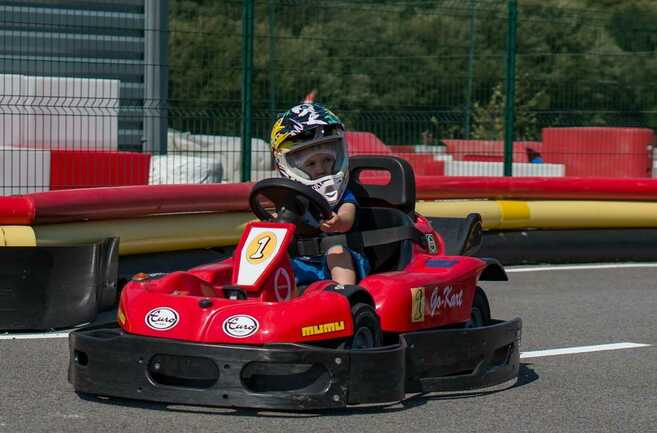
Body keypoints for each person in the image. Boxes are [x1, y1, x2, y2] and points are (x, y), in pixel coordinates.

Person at [270, 102, 370, 286]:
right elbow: (282, 219)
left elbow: (347, 217)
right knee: (270, 255)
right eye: (311, 164)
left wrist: (339, 222)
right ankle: (259, 297)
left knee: (337, 252)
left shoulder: (341, 194)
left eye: (327, 160)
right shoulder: (289, 196)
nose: (321, 169)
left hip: (338, 257)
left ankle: (346, 293)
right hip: (300, 261)